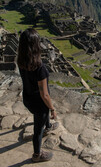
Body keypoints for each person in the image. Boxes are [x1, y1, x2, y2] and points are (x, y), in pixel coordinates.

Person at [17, 28, 59, 162]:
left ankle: (48, 126)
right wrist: (52, 109)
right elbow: (45, 95)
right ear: (36, 45)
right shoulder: (40, 68)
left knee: (41, 117)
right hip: (39, 103)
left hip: (27, 99)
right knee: (37, 131)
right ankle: (37, 155)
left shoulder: (21, 61)